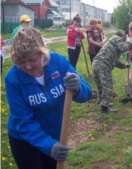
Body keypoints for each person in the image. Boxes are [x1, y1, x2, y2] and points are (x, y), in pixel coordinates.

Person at [5, 27, 92, 169]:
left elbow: (87, 92)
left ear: (42, 52)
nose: (27, 66)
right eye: (21, 62)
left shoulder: (58, 63)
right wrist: (49, 146)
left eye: (32, 59)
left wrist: (78, 88)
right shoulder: (13, 79)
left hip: (54, 134)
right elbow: (23, 121)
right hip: (25, 140)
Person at [92, 30, 132, 113]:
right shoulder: (117, 38)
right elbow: (124, 48)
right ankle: (104, 107)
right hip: (103, 65)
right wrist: (129, 42)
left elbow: (115, 61)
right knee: (108, 86)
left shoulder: (111, 44)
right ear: (122, 37)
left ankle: (102, 101)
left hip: (95, 64)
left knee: (100, 85)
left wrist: (125, 65)